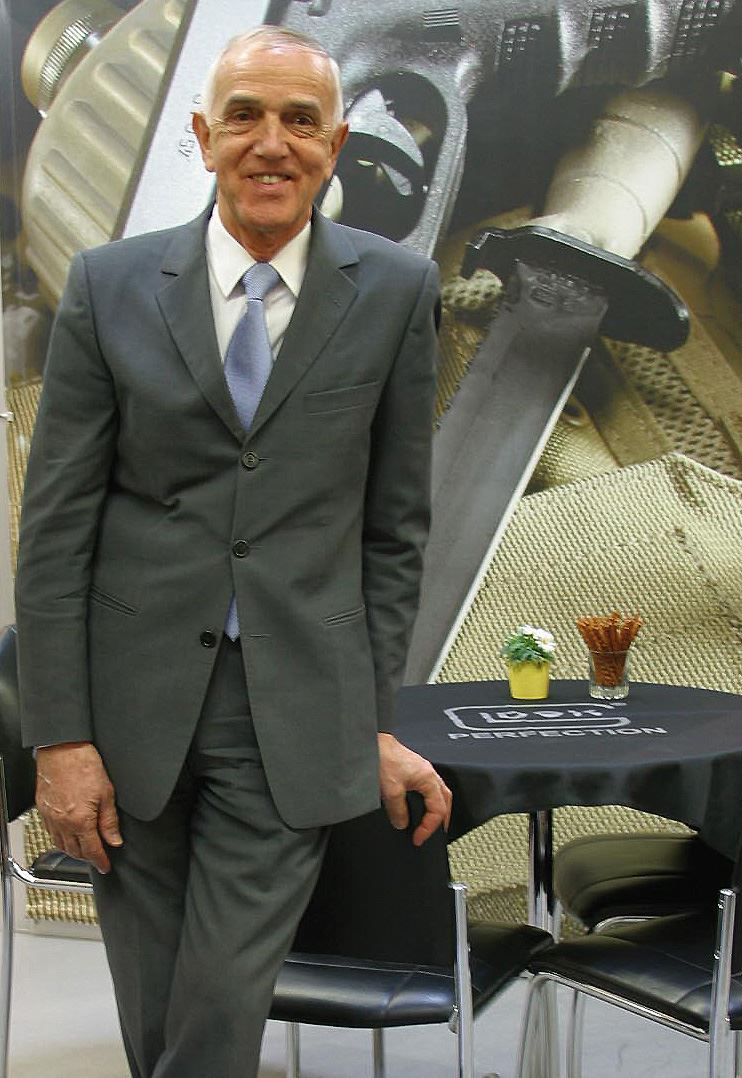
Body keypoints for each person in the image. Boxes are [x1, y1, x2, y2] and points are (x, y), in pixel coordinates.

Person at [14, 25, 450, 1078]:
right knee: (156, 1000)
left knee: (217, 1000)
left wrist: (368, 716)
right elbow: (56, 529)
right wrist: (60, 738)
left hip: (292, 711)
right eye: (245, 116)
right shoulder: (109, 285)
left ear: (334, 144)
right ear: (203, 136)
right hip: (126, 715)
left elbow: (393, 530)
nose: (271, 142)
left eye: (300, 120)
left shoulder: (396, 290)